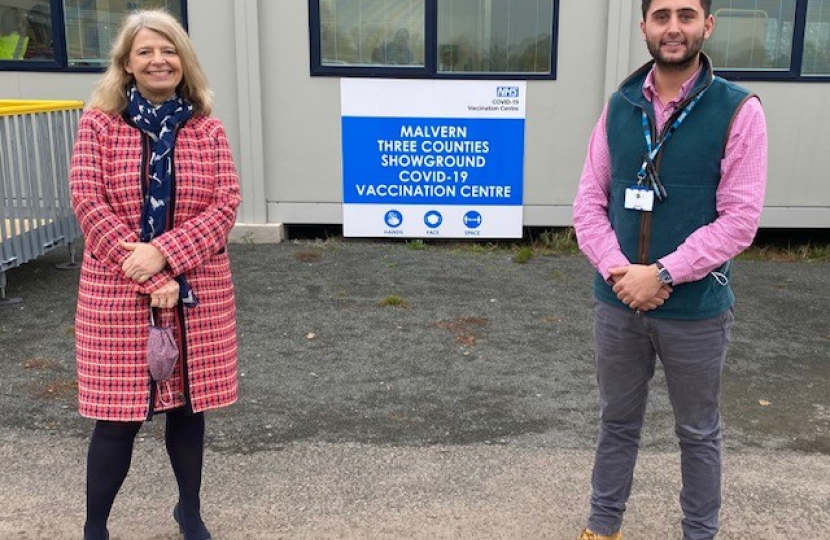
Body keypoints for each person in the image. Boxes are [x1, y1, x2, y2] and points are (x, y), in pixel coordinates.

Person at [572, 1, 767, 539]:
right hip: (618, 304)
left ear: (708, 24)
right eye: (661, 15)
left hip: (695, 310)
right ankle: (602, 527)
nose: (673, 27)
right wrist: (621, 273)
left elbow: (740, 219)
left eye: (686, 14)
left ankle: (698, 533)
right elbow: (588, 203)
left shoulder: (738, 109)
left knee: (698, 433)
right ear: (644, 28)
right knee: (616, 424)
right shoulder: (619, 106)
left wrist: (660, 273)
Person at [69, 9, 240, 540]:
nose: (158, 60)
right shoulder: (99, 123)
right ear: (127, 64)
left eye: (168, 51)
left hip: (196, 294)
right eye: (145, 51)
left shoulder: (206, 128)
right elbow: (88, 201)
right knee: (116, 419)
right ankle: (95, 526)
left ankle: (188, 511)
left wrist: (165, 254)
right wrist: (147, 275)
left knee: (188, 412)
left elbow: (225, 204)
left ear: (183, 62)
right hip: (116, 292)